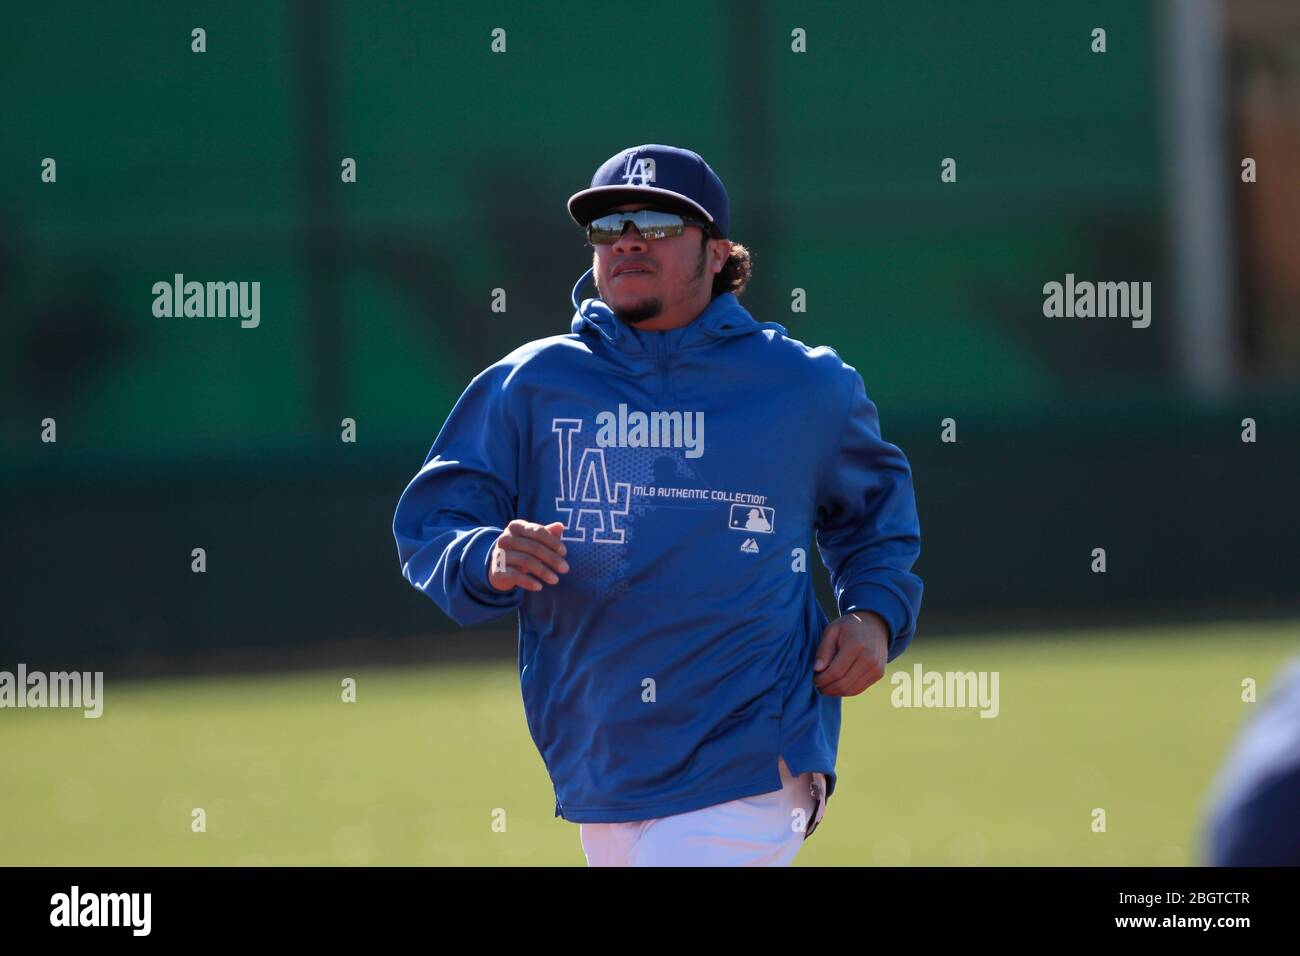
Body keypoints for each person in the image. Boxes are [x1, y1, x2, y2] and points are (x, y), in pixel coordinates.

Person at [393, 144, 924, 866]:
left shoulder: (805, 388)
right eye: (609, 227)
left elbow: (875, 519)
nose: (629, 239)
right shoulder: (532, 384)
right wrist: (485, 557)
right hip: (601, 766)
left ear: (718, 253)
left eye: (659, 222)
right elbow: (435, 522)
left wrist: (873, 617)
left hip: (752, 757)